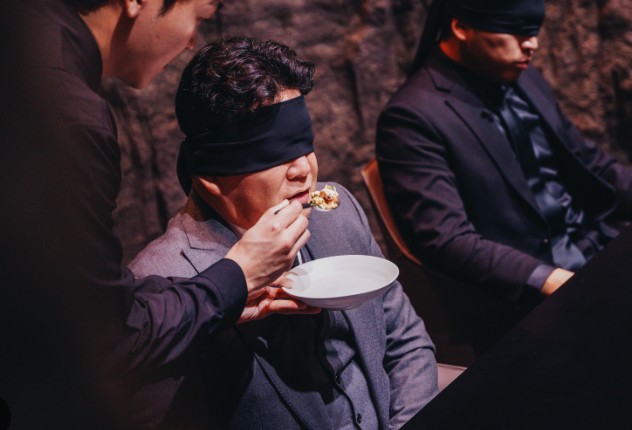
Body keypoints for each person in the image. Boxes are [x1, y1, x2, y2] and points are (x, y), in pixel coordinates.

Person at [0, 0, 311, 427]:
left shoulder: (28, 49)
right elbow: (104, 335)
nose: (192, 41)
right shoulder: (61, 110)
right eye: (198, 17)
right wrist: (237, 276)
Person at [129, 37, 439, 429]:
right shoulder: (162, 283)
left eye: (304, 144)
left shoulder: (337, 211)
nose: (304, 170)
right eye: (272, 153)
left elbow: (406, 340)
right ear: (212, 178)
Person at [375, 0, 632, 307]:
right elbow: (448, 239)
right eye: (516, 32)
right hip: (534, 285)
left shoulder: (521, 75)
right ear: (461, 27)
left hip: (596, 240)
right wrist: (551, 279)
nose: (533, 44)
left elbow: (589, 162)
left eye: (533, 32)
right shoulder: (411, 117)